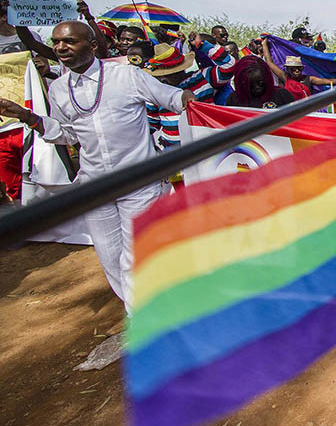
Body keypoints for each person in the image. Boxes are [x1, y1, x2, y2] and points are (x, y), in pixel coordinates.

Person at [0, 21, 195, 307]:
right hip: (94, 187)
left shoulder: (127, 76)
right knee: (111, 257)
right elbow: (66, 133)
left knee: (138, 254)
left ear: (92, 46)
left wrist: (190, 99)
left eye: (69, 42)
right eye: (56, 42)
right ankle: (137, 309)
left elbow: (172, 98)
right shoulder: (58, 89)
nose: (60, 47)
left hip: (139, 183)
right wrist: (28, 117)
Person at [142, 35, 236, 149]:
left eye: (173, 72)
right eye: (166, 73)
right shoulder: (156, 90)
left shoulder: (202, 77)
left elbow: (229, 66)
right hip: (172, 152)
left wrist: (202, 45)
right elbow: (152, 123)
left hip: (206, 145)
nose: (171, 75)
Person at [261, 38, 336, 100]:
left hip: (307, 112)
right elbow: (269, 62)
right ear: (288, 69)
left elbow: (330, 82)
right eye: (293, 69)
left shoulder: (309, 79)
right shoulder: (284, 77)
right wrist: (264, 44)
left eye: (299, 68)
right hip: (289, 113)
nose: (296, 70)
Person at [226, 55, 296, 109]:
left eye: (260, 82)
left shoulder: (282, 95)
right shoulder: (233, 99)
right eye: (251, 85)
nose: (257, 87)